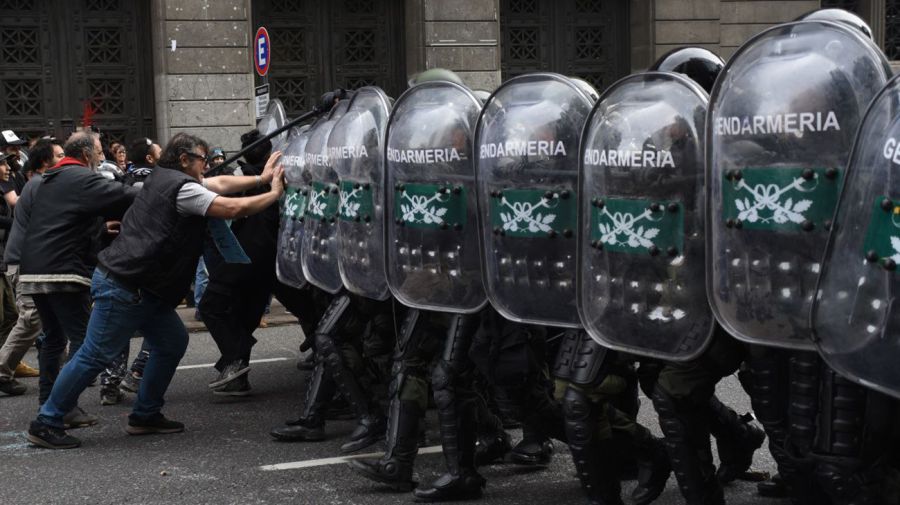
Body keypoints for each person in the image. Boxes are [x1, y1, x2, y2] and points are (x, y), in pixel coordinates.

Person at [25, 132, 286, 449]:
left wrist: (261, 177)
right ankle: (46, 421)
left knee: (172, 341)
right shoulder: (182, 187)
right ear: (185, 159)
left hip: (143, 287)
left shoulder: (166, 179)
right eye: (202, 159)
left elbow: (218, 186)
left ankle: (146, 415)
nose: (206, 165)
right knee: (93, 355)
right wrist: (272, 192)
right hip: (129, 285)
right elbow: (230, 208)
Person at [0, 138, 64, 396]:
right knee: (31, 320)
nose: (65, 160)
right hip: (24, 262)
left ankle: (60, 372)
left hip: (32, 261)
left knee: (48, 320)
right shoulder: (41, 185)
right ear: (45, 162)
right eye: (59, 156)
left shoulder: (43, 184)